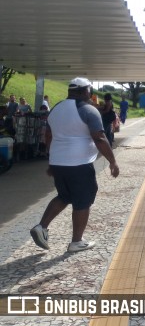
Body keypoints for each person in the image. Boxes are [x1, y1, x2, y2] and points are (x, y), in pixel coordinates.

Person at [29, 77, 119, 253]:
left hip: (58, 162)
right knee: (83, 199)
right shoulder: (88, 111)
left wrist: (52, 157)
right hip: (79, 163)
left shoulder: (56, 109)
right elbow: (100, 137)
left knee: (64, 195)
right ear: (85, 91)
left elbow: (48, 135)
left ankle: (41, 227)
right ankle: (76, 241)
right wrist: (113, 162)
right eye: (90, 90)